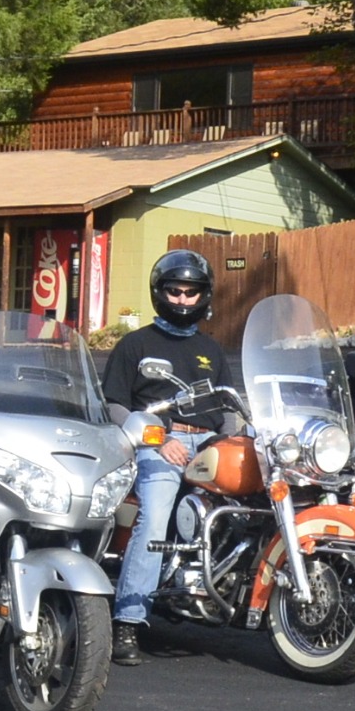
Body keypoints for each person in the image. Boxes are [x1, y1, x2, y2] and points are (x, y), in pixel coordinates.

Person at [99, 249, 241, 666]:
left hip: (209, 444)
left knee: (253, 501)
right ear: (160, 293)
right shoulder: (136, 344)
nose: (182, 300)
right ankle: (128, 618)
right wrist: (157, 438)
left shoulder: (211, 350)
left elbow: (230, 407)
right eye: (174, 291)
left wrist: (233, 437)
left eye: (190, 292)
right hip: (158, 443)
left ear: (204, 296)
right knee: (157, 513)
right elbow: (114, 406)